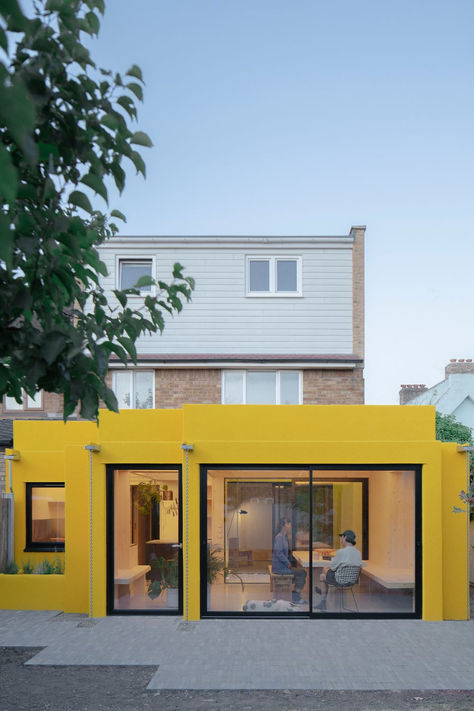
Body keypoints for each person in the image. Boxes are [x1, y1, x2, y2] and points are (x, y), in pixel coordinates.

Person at [314, 529, 362, 610]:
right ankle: (323, 590)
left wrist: (329, 567)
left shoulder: (342, 552)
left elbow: (333, 568)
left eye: (341, 537)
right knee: (326, 571)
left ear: (345, 537)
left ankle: (323, 600)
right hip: (352, 581)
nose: (341, 540)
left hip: (340, 580)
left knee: (323, 573)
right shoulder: (358, 552)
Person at [271, 517, 307, 605]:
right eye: (288, 524)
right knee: (302, 572)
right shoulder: (279, 537)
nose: (290, 525)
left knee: (300, 573)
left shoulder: (284, 536)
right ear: (283, 526)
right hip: (279, 568)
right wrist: (288, 563)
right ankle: (296, 597)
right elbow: (279, 553)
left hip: (282, 566)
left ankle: (295, 593)